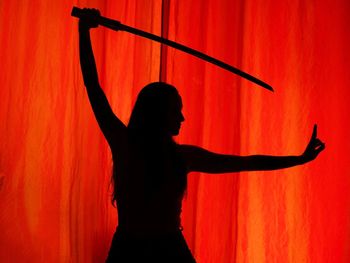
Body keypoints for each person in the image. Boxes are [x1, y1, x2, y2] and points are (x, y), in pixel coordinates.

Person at [77, 8, 325, 263]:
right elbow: (93, 87)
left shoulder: (164, 153)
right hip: (143, 251)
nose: (182, 118)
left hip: (154, 249)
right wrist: (83, 32)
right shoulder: (137, 147)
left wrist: (297, 160)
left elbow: (245, 162)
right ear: (159, 113)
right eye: (176, 111)